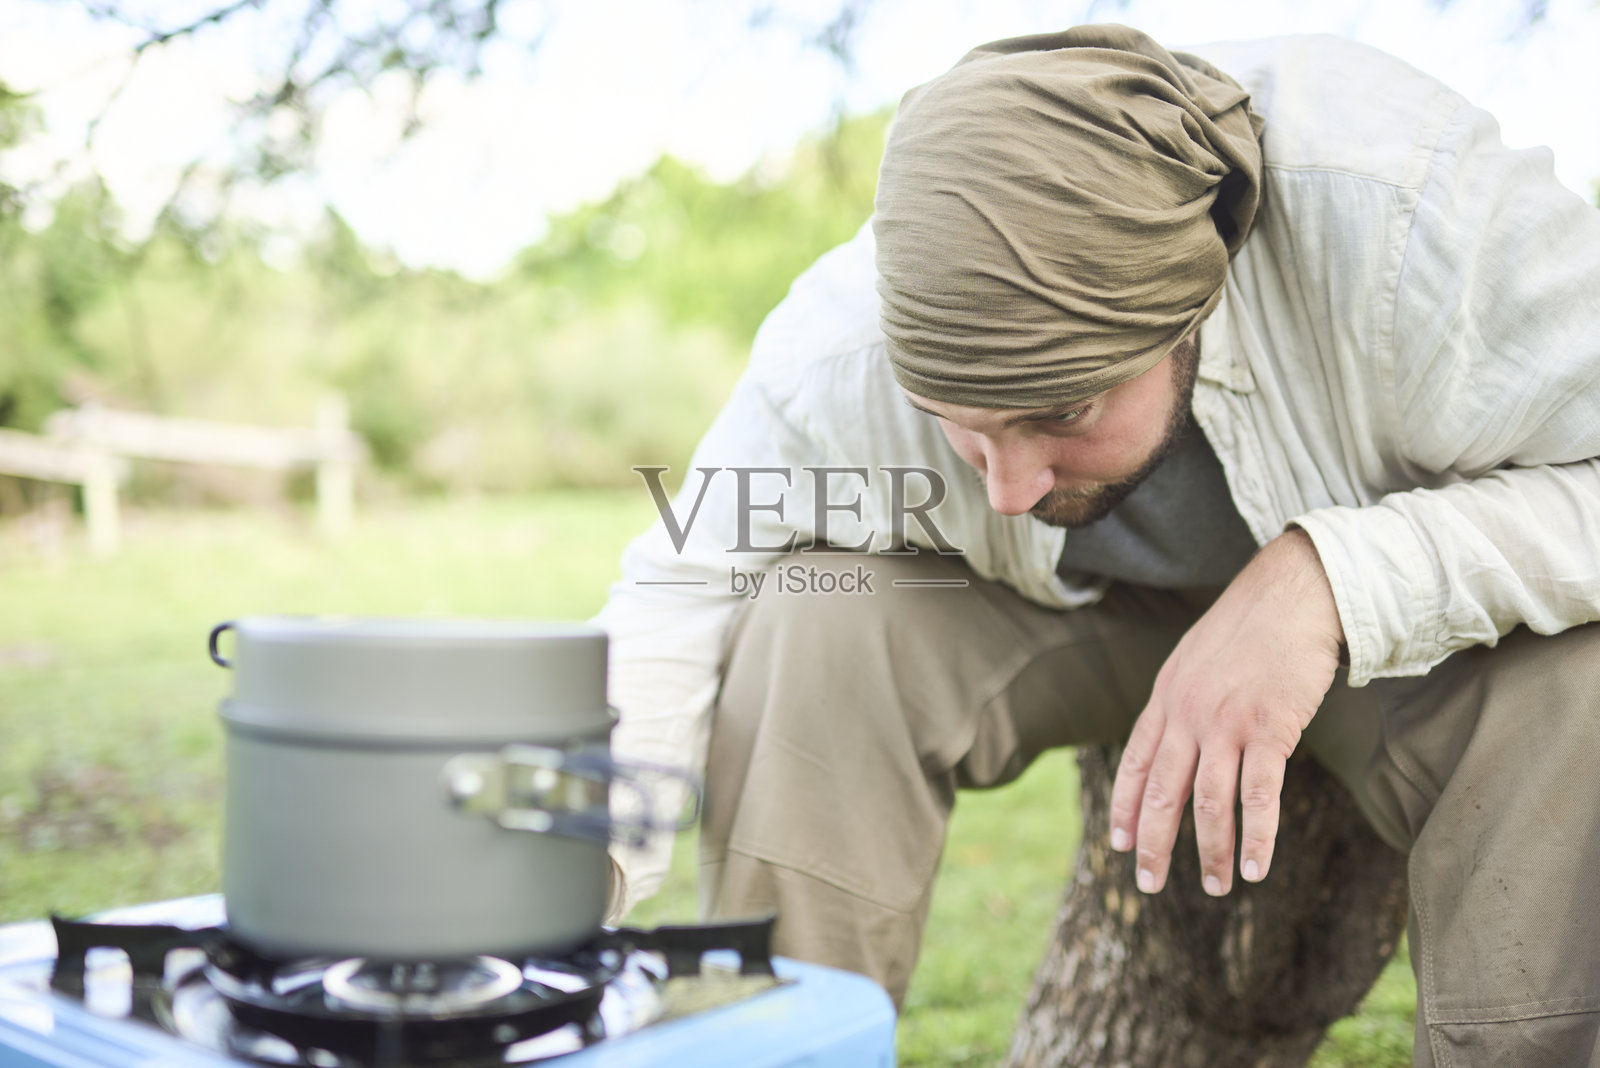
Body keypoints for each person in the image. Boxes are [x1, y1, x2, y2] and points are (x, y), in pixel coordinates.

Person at [594, 24, 1600, 1066]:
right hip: (1067, 619)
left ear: (1191, 308)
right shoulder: (840, 346)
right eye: (964, 424)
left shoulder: (1414, 220)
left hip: (1394, 646)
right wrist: (569, 870)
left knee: (1577, 680)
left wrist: (1330, 583)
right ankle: (779, 1046)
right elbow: (680, 583)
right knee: (814, 613)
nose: (1012, 486)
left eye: (1062, 413)